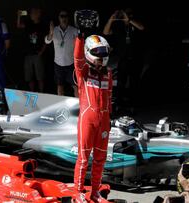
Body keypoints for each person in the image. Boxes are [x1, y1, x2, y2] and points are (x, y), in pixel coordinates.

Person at [73, 34, 112, 203]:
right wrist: (79, 38)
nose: (101, 58)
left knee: (100, 159)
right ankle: (78, 192)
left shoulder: (108, 74)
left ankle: (95, 192)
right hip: (87, 120)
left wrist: (109, 119)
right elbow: (77, 59)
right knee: (83, 159)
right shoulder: (84, 73)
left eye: (104, 54)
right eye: (98, 53)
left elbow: (109, 98)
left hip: (104, 122)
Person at [103, 8, 144, 112]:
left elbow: (142, 27)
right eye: (124, 15)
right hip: (123, 59)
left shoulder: (134, 24)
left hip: (135, 59)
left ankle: (133, 106)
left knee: (134, 83)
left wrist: (129, 20)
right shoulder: (119, 27)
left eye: (129, 14)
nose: (126, 17)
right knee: (120, 83)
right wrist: (111, 19)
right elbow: (105, 32)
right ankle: (118, 106)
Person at [45, 10, 78, 97]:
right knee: (60, 86)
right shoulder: (55, 30)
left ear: (68, 18)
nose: (64, 18)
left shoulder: (74, 30)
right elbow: (47, 41)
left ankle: (79, 107)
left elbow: (81, 42)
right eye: (62, 16)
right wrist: (51, 32)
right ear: (59, 18)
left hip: (71, 63)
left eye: (65, 16)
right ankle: (60, 107)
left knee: (75, 86)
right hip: (58, 64)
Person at [17, 7, 46, 92]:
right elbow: (18, 26)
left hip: (37, 54)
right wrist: (19, 16)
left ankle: (41, 93)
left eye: (33, 13)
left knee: (40, 76)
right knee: (29, 77)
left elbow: (46, 40)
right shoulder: (28, 23)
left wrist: (41, 52)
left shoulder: (42, 25)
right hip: (28, 54)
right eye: (31, 13)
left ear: (38, 14)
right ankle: (32, 92)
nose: (31, 15)